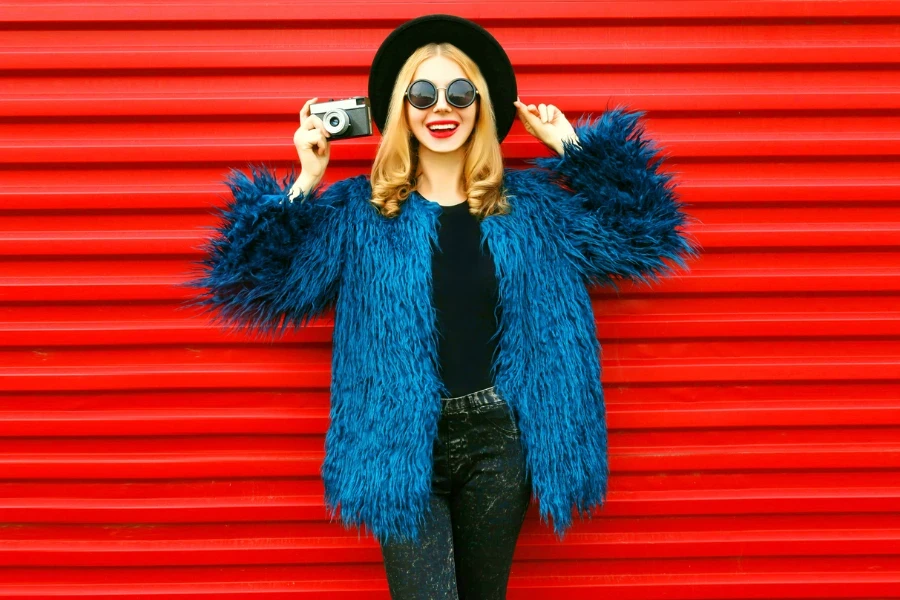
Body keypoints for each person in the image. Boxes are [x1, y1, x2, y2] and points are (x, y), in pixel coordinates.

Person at [182, 13, 701, 600]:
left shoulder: (532, 209)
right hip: (398, 441)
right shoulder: (359, 212)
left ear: (482, 105)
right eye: (421, 93)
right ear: (400, 109)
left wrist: (574, 149)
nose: (441, 108)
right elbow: (255, 283)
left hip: (498, 439)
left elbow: (643, 236)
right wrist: (305, 179)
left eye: (459, 92)